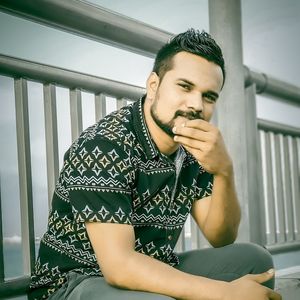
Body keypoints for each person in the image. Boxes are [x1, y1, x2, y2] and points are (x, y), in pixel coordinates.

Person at [30, 29, 281, 300]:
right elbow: (119, 267)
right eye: (185, 86)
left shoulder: (193, 147)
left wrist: (224, 171)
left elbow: (220, 236)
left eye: (209, 96)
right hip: (75, 282)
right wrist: (224, 293)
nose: (196, 104)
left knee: (256, 262)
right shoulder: (105, 144)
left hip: (152, 263)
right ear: (153, 86)